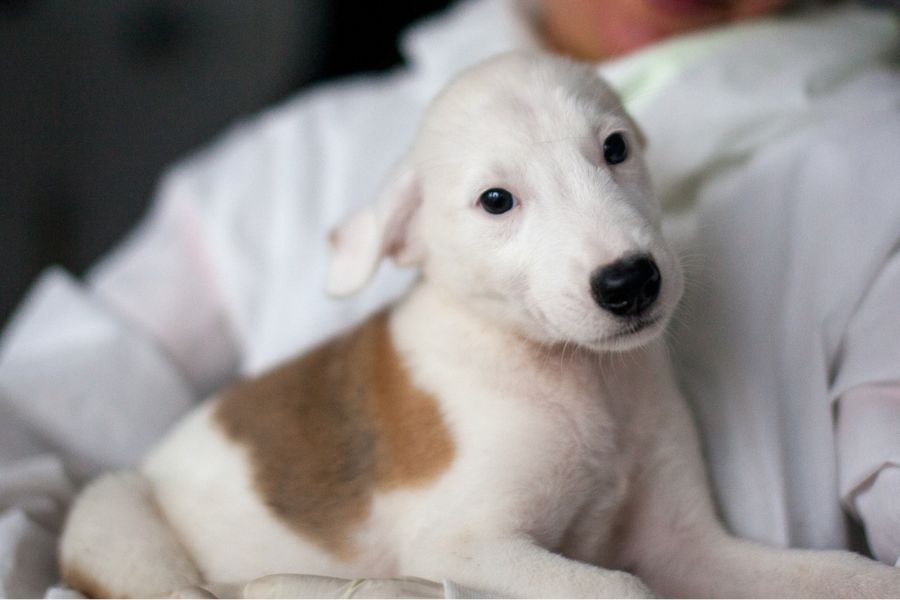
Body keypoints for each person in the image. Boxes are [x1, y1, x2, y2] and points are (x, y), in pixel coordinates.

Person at [0, 0, 898, 596]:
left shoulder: (874, 147)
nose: (620, 254)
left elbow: (687, 555)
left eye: (614, 151)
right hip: (167, 530)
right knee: (112, 508)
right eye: (498, 204)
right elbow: (34, 408)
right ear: (408, 236)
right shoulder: (301, 155)